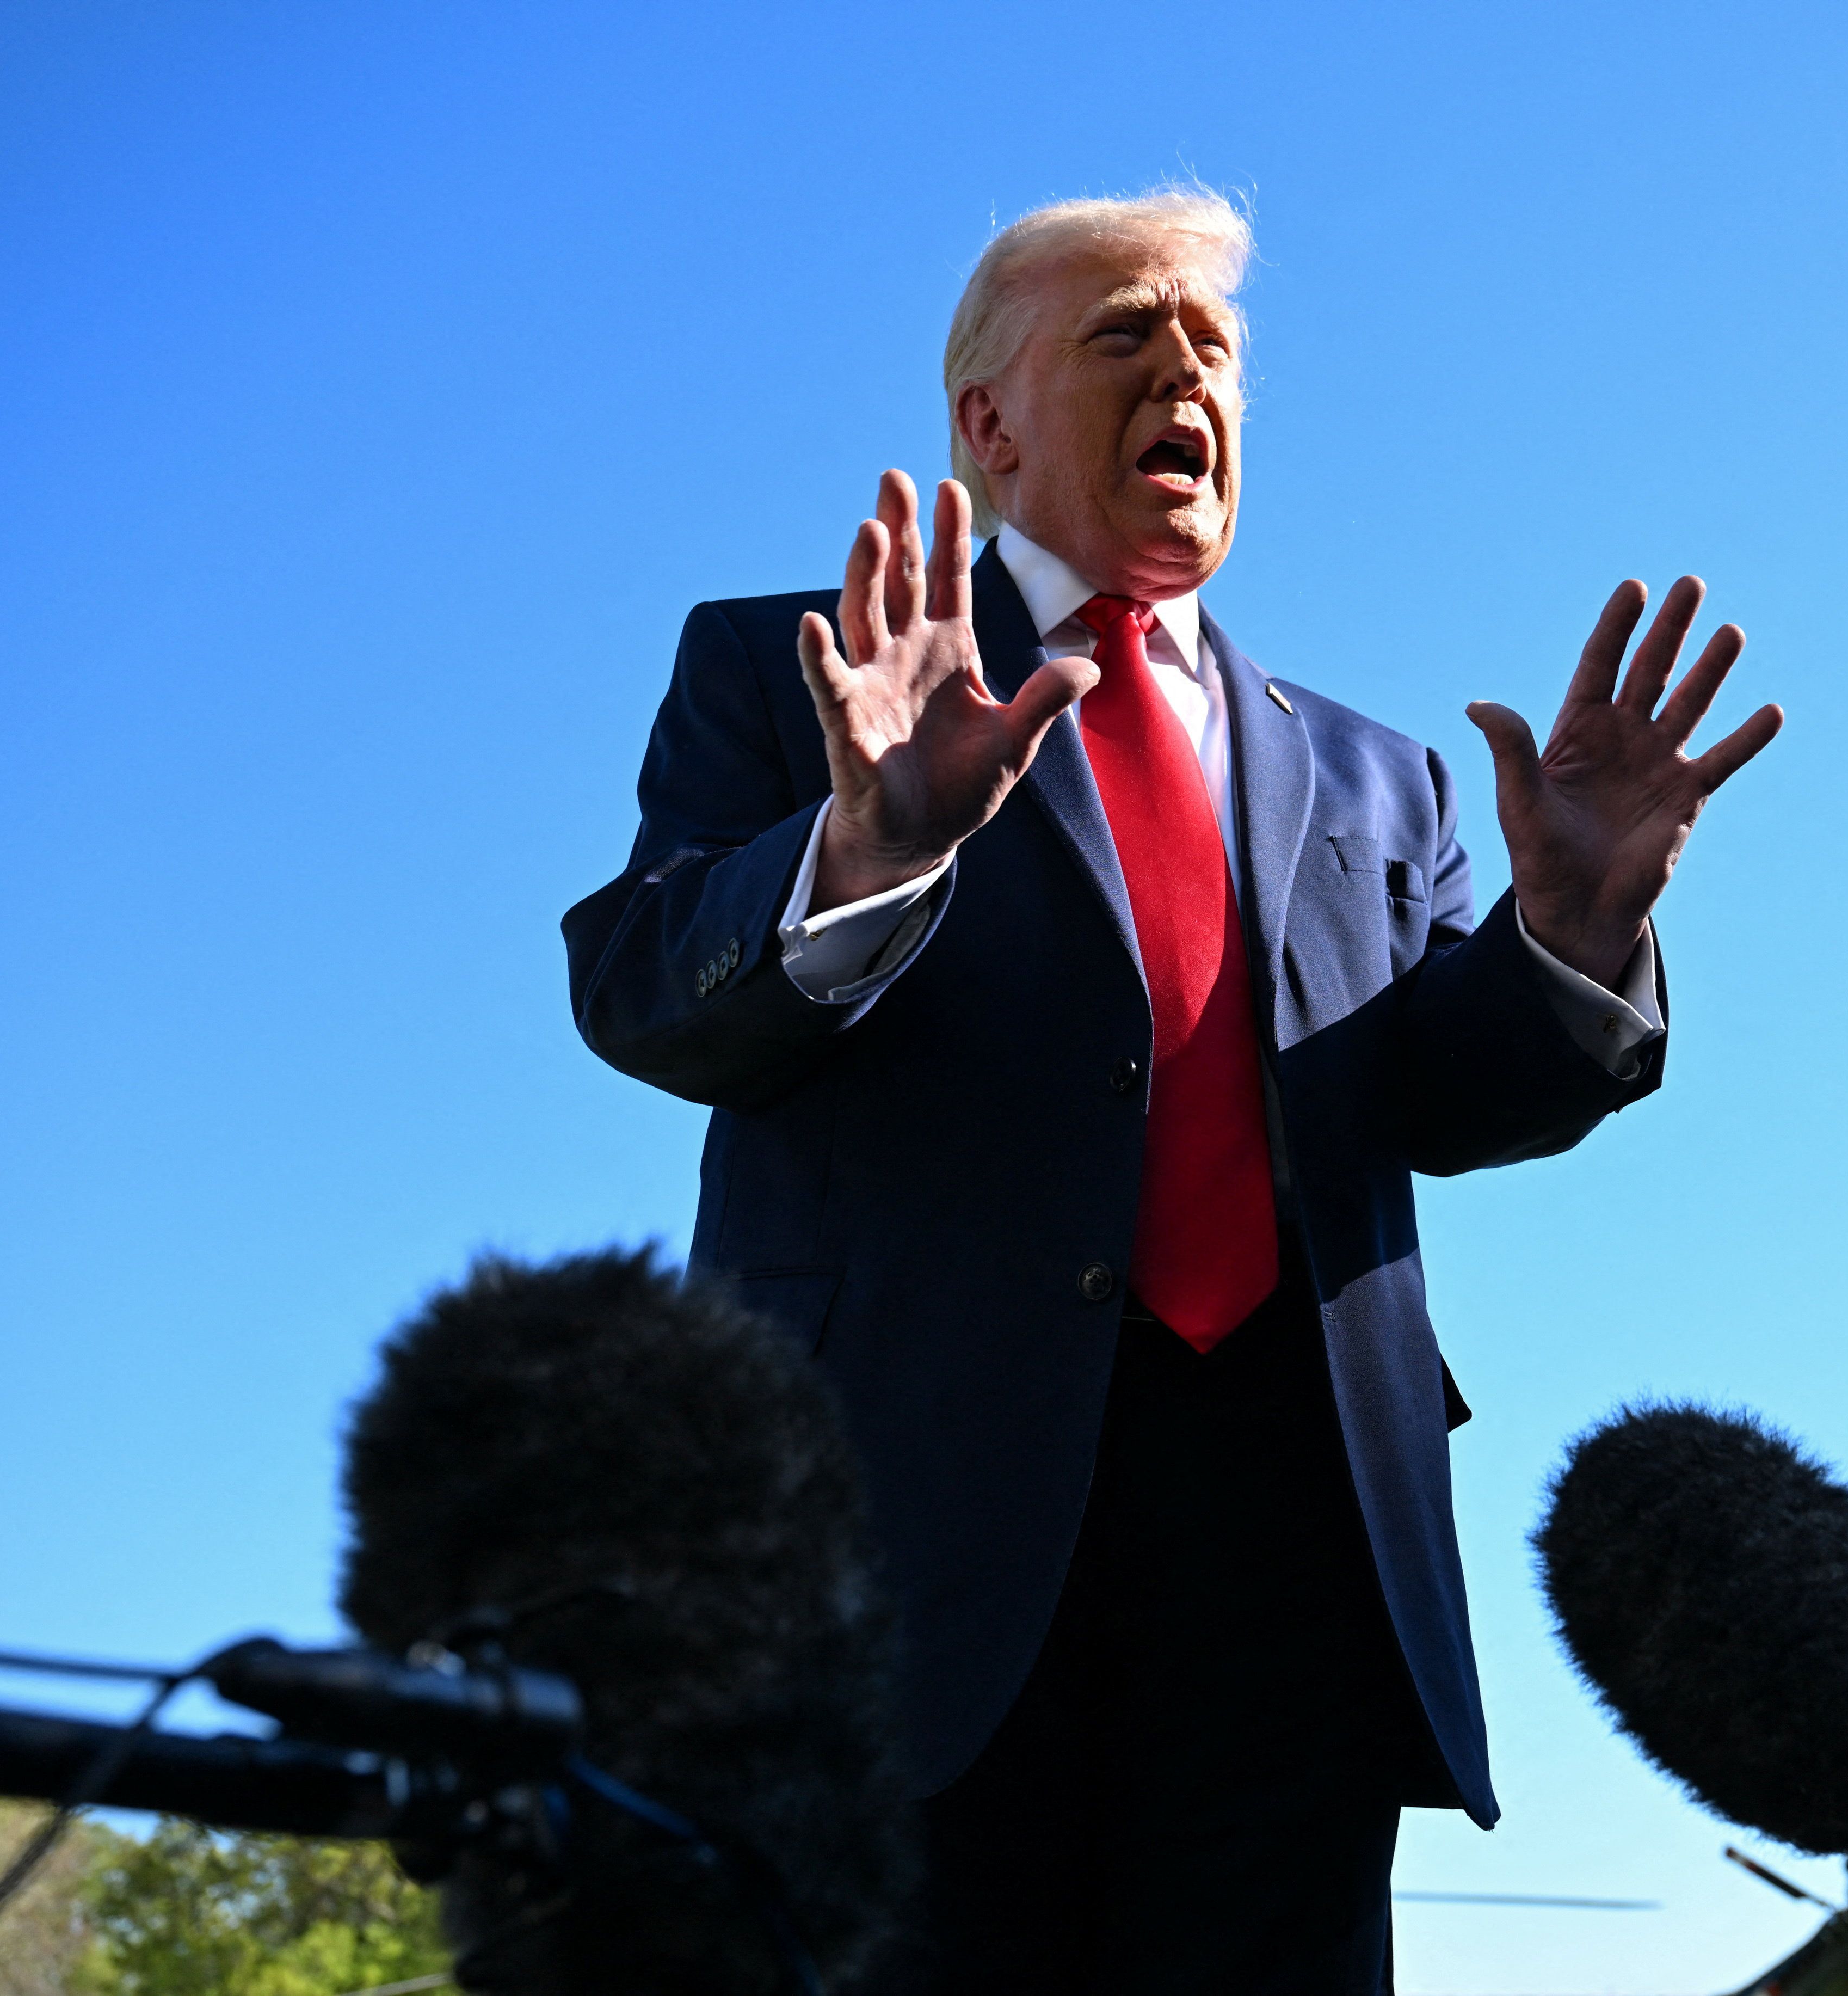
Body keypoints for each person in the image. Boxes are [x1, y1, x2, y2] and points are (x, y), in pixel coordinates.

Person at [562, 187, 1781, 1994]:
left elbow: (1435, 1093)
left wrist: (1566, 936)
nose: (1187, 370)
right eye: (1128, 334)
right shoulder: (795, 667)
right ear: (987, 424)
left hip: (1291, 1541)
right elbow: (648, 987)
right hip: (897, 1536)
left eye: (1213, 346)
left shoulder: (1377, 777)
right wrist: (864, 844)